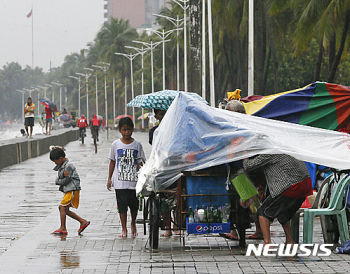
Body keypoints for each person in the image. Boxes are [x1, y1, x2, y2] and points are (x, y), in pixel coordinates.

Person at [243, 154, 312, 246]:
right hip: (305, 185)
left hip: (291, 187)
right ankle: (289, 241)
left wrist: (244, 153)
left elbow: (248, 166)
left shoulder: (270, 153)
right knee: (283, 214)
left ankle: (267, 243)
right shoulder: (285, 148)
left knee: (263, 212)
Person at [223, 99, 264, 240]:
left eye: (230, 113)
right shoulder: (235, 127)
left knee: (251, 202)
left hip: (247, 170)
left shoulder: (247, 127)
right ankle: (237, 230)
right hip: (237, 169)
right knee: (242, 201)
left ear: (239, 113)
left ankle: (258, 231)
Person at [107, 117, 146, 238]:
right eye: (124, 130)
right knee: (122, 207)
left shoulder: (137, 145)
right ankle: (124, 229)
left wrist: (144, 176)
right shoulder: (115, 144)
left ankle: (133, 223)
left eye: (129, 129)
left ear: (132, 130)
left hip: (134, 182)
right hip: (120, 182)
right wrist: (109, 178)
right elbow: (112, 161)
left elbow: (141, 162)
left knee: (134, 206)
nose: (127, 132)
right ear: (120, 130)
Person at [49, 146, 90, 235]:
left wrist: (57, 181)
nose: (55, 164)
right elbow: (60, 173)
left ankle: (63, 228)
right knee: (65, 209)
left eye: (56, 161)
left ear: (61, 158)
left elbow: (66, 180)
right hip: (69, 190)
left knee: (62, 207)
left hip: (72, 189)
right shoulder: (63, 166)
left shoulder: (68, 166)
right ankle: (82, 221)